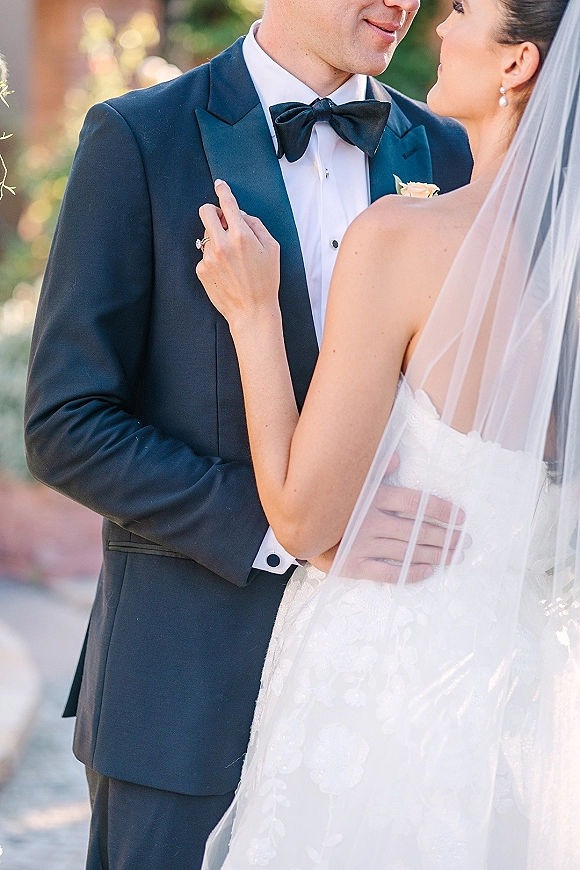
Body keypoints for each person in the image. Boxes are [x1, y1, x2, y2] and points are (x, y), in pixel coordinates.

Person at [23, 2, 472, 869]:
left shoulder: (448, 149)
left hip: (389, 694)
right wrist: (290, 529)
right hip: (183, 698)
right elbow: (65, 422)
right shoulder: (139, 138)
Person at [195, 0, 580, 866]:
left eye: (466, 11)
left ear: (517, 66)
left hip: (384, 688)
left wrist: (256, 315)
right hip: (528, 703)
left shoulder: (406, 237)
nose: (437, 25)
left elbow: (300, 519)